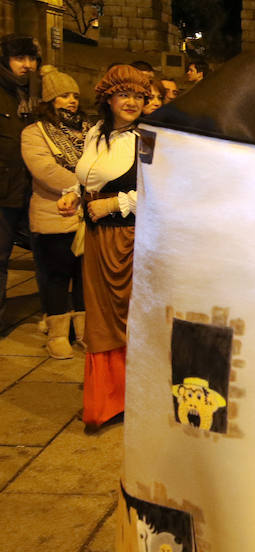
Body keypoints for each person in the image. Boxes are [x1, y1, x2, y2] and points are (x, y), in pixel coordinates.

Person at [57, 65, 150, 432]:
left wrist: (113, 205)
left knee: (127, 317)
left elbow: (165, 191)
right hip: (96, 238)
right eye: (124, 94)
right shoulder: (96, 132)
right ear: (108, 98)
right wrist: (73, 196)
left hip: (127, 239)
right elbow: (89, 177)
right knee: (101, 319)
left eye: (139, 96)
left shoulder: (148, 138)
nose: (132, 102)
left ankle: (136, 398)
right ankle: (107, 399)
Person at [21, 65, 91, 359]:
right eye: (64, 95)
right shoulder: (34, 133)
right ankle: (58, 334)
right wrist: (84, 185)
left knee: (84, 276)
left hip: (84, 216)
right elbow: (45, 170)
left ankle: (85, 331)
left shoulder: (88, 130)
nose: (72, 100)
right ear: (50, 100)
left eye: (74, 95)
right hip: (54, 213)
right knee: (57, 275)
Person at [0, 34, 40, 324]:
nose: (27, 65)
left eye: (31, 58)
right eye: (19, 58)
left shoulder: (32, 92)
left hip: (27, 189)